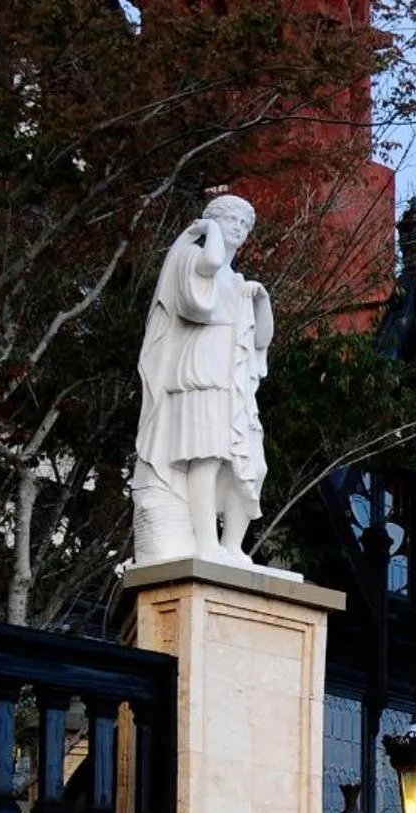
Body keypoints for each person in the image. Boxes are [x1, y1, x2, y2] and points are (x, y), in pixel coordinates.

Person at [128, 194, 273, 567]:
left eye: (244, 224)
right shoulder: (190, 258)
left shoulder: (237, 280)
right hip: (200, 371)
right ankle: (206, 542)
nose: (238, 229)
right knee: (205, 457)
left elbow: (262, 339)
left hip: (235, 379)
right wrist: (207, 230)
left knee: (251, 466)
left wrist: (261, 299)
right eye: (230, 220)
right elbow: (198, 306)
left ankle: (232, 546)